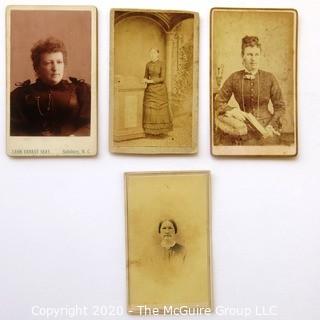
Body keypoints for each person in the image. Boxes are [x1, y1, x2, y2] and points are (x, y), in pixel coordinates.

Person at [10, 37, 91, 136]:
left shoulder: (81, 91)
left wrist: (73, 138)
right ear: (37, 68)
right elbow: (14, 130)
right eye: (48, 63)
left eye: (59, 62)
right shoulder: (20, 95)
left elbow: (90, 124)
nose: (55, 68)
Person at [215, 35, 286, 145]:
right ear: (243, 56)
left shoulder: (269, 77)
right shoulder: (234, 77)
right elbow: (218, 101)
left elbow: (280, 107)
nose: (253, 59)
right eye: (249, 55)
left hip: (267, 128)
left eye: (256, 54)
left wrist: (272, 125)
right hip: (245, 128)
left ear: (260, 56)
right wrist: (233, 111)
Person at [142, 48, 172, 136]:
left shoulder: (162, 64)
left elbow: (162, 78)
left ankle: (161, 131)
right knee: (150, 109)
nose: (152, 55)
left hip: (160, 90)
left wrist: (150, 81)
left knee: (160, 110)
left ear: (158, 54)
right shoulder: (148, 64)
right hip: (150, 90)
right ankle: (150, 131)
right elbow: (145, 76)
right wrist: (144, 82)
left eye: (154, 53)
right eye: (150, 53)